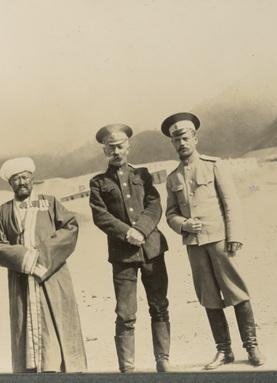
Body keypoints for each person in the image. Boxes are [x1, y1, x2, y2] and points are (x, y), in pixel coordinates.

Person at [161, 112, 265, 369]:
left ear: (195, 138)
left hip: (220, 240)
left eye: (185, 137)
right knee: (208, 296)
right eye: (176, 140)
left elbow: (231, 203)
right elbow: (170, 213)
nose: (182, 143)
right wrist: (183, 224)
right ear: (173, 143)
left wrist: (235, 236)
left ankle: (252, 346)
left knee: (236, 291)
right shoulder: (173, 177)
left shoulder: (214, 165)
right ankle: (224, 351)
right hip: (195, 246)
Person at [0, 157, 87, 373]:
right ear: (10, 184)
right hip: (21, 278)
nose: (21, 182)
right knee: (26, 328)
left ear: (32, 179)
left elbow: (70, 228)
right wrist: (23, 259)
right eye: (15, 179)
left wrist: (42, 258)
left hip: (52, 275)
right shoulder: (3, 211)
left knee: (58, 322)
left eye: (24, 177)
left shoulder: (49, 202)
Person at [89, 124, 171, 373]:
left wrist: (142, 230)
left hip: (152, 250)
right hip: (123, 256)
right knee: (125, 313)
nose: (116, 150)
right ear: (104, 150)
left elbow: (154, 204)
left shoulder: (143, 175)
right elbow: (100, 215)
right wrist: (127, 233)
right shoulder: (98, 182)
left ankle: (163, 360)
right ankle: (127, 368)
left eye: (120, 145)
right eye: (110, 147)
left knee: (159, 305)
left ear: (128, 146)